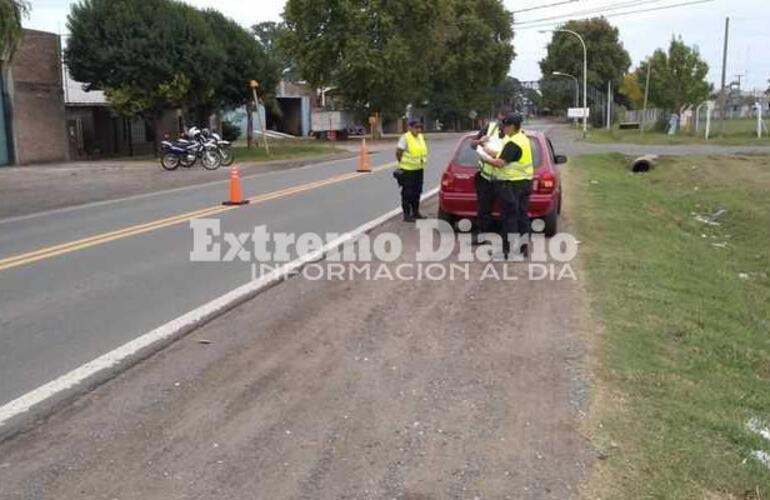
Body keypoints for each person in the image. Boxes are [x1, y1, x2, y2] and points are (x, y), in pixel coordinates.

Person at [483, 113, 534, 256]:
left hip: (512, 185)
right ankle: (523, 248)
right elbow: (506, 156)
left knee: (509, 217)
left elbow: (500, 163)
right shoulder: (522, 138)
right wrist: (492, 153)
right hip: (525, 182)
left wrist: (485, 158)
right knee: (522, 216)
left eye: (505, 126)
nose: (503, 128)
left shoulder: (513, 142)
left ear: (512, 127)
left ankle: (508, 249)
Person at [470, 107, 510, 240]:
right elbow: (472, 144)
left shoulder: (514, 133)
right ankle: (482, 235)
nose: (500, 123)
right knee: (483, 209)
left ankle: (506, 238)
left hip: (505, 179)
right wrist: (480, 142)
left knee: (508, 211)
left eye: (503, 120)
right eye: (499, 119)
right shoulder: (490, 127)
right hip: (486, 178)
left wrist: (491, 155)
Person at [395, 120, 428, 222]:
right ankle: (407, 214)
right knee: (407, 193)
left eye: (419, 128)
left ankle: (416, 212)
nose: (418, 130)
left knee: (417, 192)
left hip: (418, 169)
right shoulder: (405, 138)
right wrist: (401, 164)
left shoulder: (420, 137)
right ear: (410, 128)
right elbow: (398, 152)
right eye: (416, 127)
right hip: (408, 170)